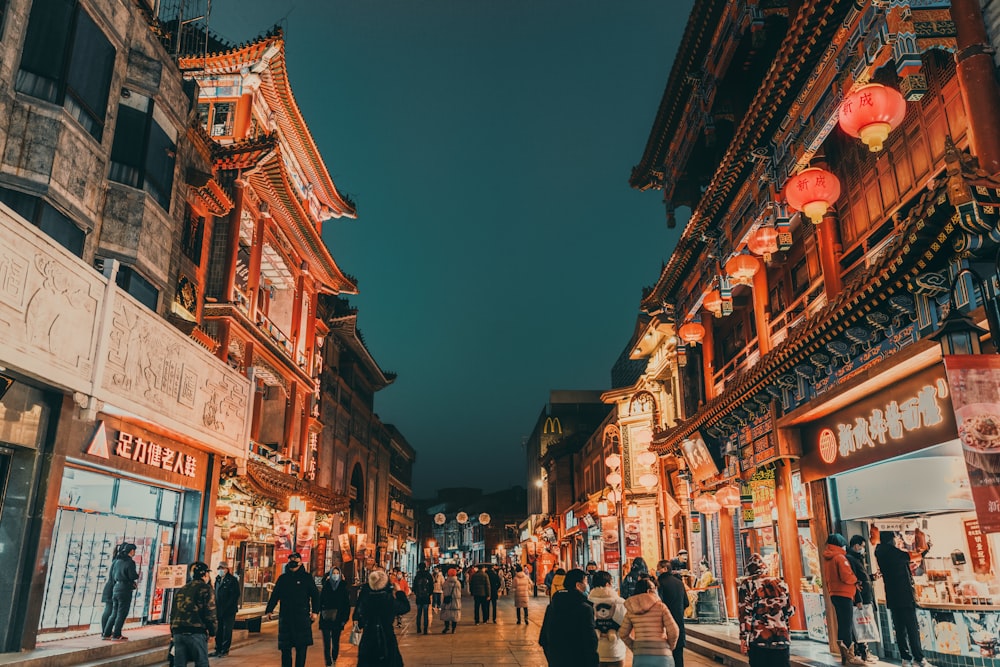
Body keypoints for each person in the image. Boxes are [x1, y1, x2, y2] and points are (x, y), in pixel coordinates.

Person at [875, 530, 934, 667]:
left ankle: (905, 658)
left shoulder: (880, 553)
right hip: (905, 596)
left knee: (900, 629)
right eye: (895, 539)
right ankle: (918, 659)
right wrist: (927, 550)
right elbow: (915, 557)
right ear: (891, 540)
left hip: (892, 596)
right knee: (912, 629)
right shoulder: (894, 553)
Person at [738, 553, 795, 667]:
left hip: (760, 639)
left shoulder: (747, 584)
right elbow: (789, 610)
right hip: (781, 638)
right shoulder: (780, 583)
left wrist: (744, 637)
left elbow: (745, 614)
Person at [264, 552, 320, 667]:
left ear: (300, 562)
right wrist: (269, 610)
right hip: (286, 617)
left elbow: (315, 595)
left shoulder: (306, 578)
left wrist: (315, 612)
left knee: (301, 649)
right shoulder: (283, 578)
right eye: (291, 560)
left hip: (302, 617)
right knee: (285, 649)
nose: (293, 562)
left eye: (295, 559)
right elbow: (275, 595)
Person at [539, 569, 599, 667]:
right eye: (585, 581)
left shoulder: (552, 606)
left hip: (557, 661)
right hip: (579, 661)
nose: (587, 584)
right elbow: (590, 641)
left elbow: (543, 639)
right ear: (578, 585)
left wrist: (553, 659)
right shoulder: (584, 609)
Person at [824, 534, 865, 666]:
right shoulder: (840, 557)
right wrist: (856, 580)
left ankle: (845, 657)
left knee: (842, 624)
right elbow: (847, 576)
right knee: (846, 625)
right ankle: (850, 657)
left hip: (834, 593)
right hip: (845, 593)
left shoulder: (828, 558)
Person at [620, 577, 679, 667]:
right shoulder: (661, 607)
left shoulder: (631, 610)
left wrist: (635, 647)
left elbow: (623, 633)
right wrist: (669, 646)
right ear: (648, 591)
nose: (656, 590)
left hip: (640, 655)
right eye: (654, 588)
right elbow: (674, 631)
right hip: (662, 655)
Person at [170, 561, 218, 667]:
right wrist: (213, 632)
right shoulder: (205, 589)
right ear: (205, 574)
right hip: (196, 631)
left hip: (178, 632)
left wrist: (172, 632)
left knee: (179, 663)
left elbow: (173, 612)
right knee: (201, 662)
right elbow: (210, 612)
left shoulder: (182, 589)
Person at [355, 570, 405, 667]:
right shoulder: (388, 600)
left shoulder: (366, 599)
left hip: (368, 638)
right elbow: (405, 607)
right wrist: (399, 592)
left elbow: (361, 618)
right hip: (387, 637)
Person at [846, 535, 879, 664]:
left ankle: (864, 652)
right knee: (861, 625)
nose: (863, 549)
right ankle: (862, 652)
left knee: (863, 624)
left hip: (864, 596)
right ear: (856, 546)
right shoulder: (851, 559)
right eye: (863, 546)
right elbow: (855, 581)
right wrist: (858, 598)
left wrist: (871, 578)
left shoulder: (857, 558)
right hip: (861, 598)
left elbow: (861, 578)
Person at [588, 570, 626, 667]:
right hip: (615, 651)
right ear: (607, 584)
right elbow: (626, 626)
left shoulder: (587, 603)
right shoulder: (620, 603)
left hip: (594, 652)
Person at [103, 543, 139, 640]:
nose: (134, 552)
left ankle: (106, 633)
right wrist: (137, 576)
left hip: (116, 588)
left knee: (114, 612)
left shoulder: (117, 561)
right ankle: (117, 634)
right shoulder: (130, 562)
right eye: (134, 550)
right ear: (131, 551)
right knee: (122, 613)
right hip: (125, 589)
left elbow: (113, 575)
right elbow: (132, 576)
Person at [657, 560, 690, 667]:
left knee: (665, 656)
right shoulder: (679, 583)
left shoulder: (659, 583)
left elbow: (659, 603)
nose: (658, 571)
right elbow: (686, 602)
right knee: (678, 656)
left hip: (664, 624)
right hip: (679, 622)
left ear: (665, 569)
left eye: (659, 569)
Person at [319, 566, 350, 667]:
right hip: (326, 618)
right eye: (334, 573)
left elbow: (347, 604)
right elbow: (320, 601)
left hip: (338, 619)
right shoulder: (326, 586)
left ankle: (334, 658)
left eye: (337, 573)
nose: (335, 575)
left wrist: (345, 619)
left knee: (335, 642)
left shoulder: (343, 587)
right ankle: (328, 662)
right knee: (327, 643)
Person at [212, 561, 240, 657]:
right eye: (219, 568)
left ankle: (225, 650)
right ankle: (218, 649)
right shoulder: (218, 579)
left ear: (227, 569)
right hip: (219, 609)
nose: (221, 570)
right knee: (218, 630)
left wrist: (227, 606)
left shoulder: (232, 580)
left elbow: (235, 595)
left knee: (227, 630)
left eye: (222, 568)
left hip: (229, 610)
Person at [411, 562, 434, 635]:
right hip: (426, 598)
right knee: (426, 614)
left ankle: (418, 628)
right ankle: (425, 629)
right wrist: (429, 594)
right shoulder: (428, 575)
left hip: (419, 597)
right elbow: (431, 586)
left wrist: (416, 594)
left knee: (419, 613)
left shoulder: (417, 576)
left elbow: (414, 587)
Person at [439, 567, 462, 633]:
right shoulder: (458, 583)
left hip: (447, 600)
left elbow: (443, 589)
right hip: (456, 601)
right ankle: (453, 629)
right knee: (455, 615)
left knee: (446, 614)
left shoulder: (446, 583)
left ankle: (447, 627)